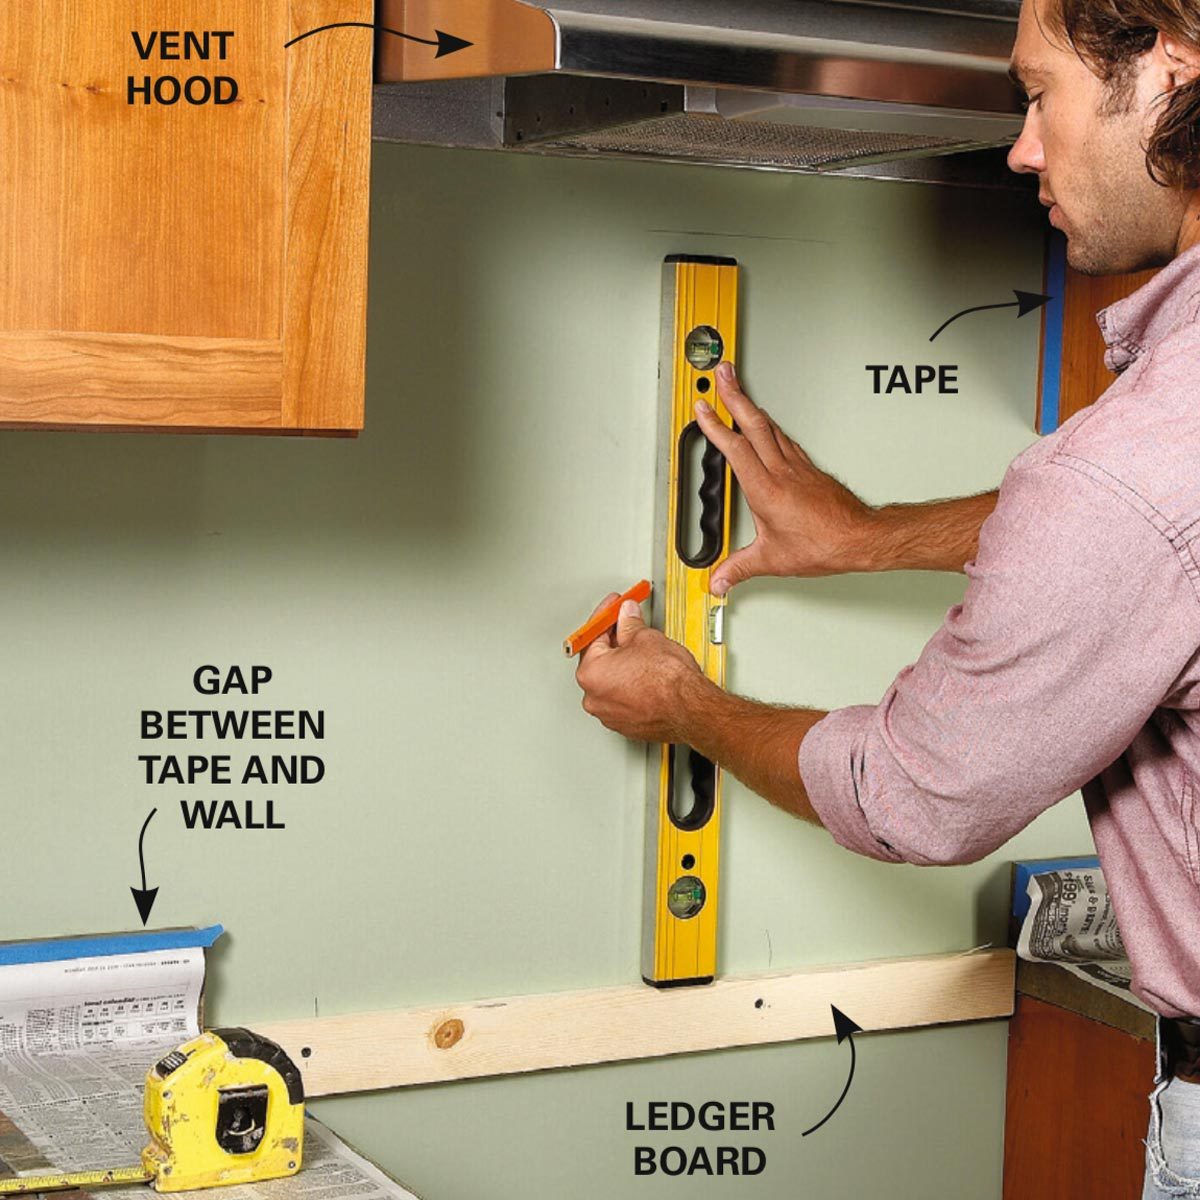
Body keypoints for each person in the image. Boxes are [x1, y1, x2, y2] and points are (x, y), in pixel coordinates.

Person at [573, 0, 1200, 1194]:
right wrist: (867, 538)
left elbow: (915, 800)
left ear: (1171, 68)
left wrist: (688, 708)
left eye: (1036, 92)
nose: (1021, 148)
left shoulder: (1129, 475)